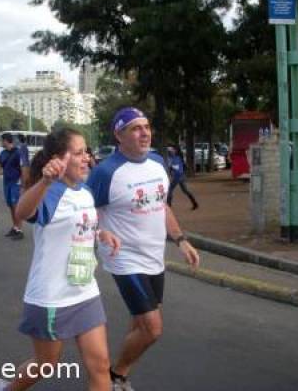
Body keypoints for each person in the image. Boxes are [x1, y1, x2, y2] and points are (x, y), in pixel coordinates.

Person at [0, 128, 120, 391]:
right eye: (78, 153)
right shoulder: (50, 192)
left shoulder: (84, 191)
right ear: (58, 159)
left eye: (86, 151)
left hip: (85, 291)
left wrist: (100, 232)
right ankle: (7, 389)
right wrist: (44, 182)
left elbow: (81, 222)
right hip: (52, 296)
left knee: (100, 364)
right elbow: (22, 211)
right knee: (46, 364)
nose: (87, 158)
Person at [87, 107, 200, 391]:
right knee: (152, 328)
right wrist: (99, 233)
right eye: (136, 128)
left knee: (140, 324)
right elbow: (84, 211)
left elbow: (162, 206)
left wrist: (181, 239)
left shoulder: (157, 162)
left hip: (154, 257)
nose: (145, 133)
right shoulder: (105, 172)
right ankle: (115, 375)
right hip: (123, 258)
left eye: (146, 127)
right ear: (119, 134)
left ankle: (116, 377)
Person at [0, 133, 24, 240]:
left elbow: (24, 169)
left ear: (6, 141)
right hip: (6, 182)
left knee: (15, 206)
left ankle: (19, 230)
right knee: (11, 206)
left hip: (16, 183)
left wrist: (23, 184)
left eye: (2, 141)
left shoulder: (18, 153)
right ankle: (15, 227)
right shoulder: (3, 153)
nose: (1, 143)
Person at [166, 145, 199, 210]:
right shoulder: (174, 157)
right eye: (170, 150)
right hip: (180, 176)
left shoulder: (176, 158)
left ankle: (169, 206)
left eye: (172, 150)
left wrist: (170, 167)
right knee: (185, 191)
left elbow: (176, 168)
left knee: (170, 190)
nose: (170, 151)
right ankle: (195, 203)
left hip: (177, 176)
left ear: (175, 151)